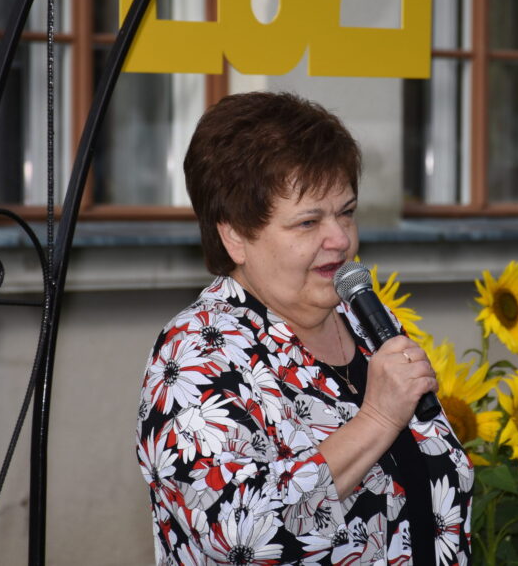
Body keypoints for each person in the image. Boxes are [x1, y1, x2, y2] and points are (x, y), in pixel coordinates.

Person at [136, 91, 473, 565]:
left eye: (346, 213)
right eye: (308, 222)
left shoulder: (365, 320)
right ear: (235, 236)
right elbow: (242, 534)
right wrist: (377, 420)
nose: (340, 239)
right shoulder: (194, 356)